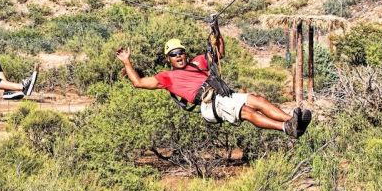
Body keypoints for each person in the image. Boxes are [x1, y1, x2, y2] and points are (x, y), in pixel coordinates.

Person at [115, 36, 312, 138]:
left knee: (258, 100)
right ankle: (286, 128)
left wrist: (216, 31)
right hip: (209, 103)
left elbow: (219, 53)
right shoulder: (167, 77)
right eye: (174, 54)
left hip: (223, 95)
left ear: (185, 53)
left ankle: (293, 121)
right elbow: (138, 83)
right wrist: (126, 61)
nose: (179, 56)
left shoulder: (198, 62)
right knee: (247, 111)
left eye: (181, 52)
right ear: (169, 59)